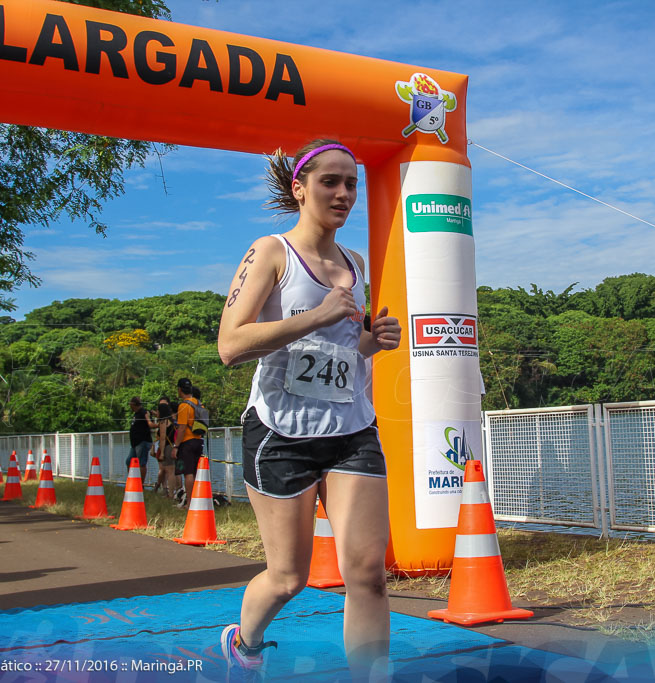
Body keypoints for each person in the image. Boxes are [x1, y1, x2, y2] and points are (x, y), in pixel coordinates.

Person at [216, 138, 401, 681]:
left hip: (351, 427)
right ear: (300, 188)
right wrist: (316, 316)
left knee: (367, 572)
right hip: (281, 431)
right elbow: (230, 345)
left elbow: (344, 352)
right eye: (330, 182)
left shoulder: (355, 262)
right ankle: (244, 641)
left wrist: (373, 341)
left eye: (352, 184)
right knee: (288, 577)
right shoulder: (271, 252)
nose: (344, 193)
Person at [174, 379, 209, 508]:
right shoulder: (199, 404)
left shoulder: (183, 406)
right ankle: (197, 499)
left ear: (180, 390)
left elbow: (182, 428)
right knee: (195, 472)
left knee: (188, 473)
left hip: (187, 442)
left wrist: (176, 446)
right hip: (199, 440)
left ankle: (189, 502)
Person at [127, 397, 156, 485]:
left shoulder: (143, 413)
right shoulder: (136, 414)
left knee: (141, 463)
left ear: (134, 405)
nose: (130, 407)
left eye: (131, 405)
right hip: (135, 444)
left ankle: (140, 484)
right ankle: (132, 483)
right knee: (129, 461)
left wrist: (159, 424)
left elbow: (150, 423)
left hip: (142, 442)